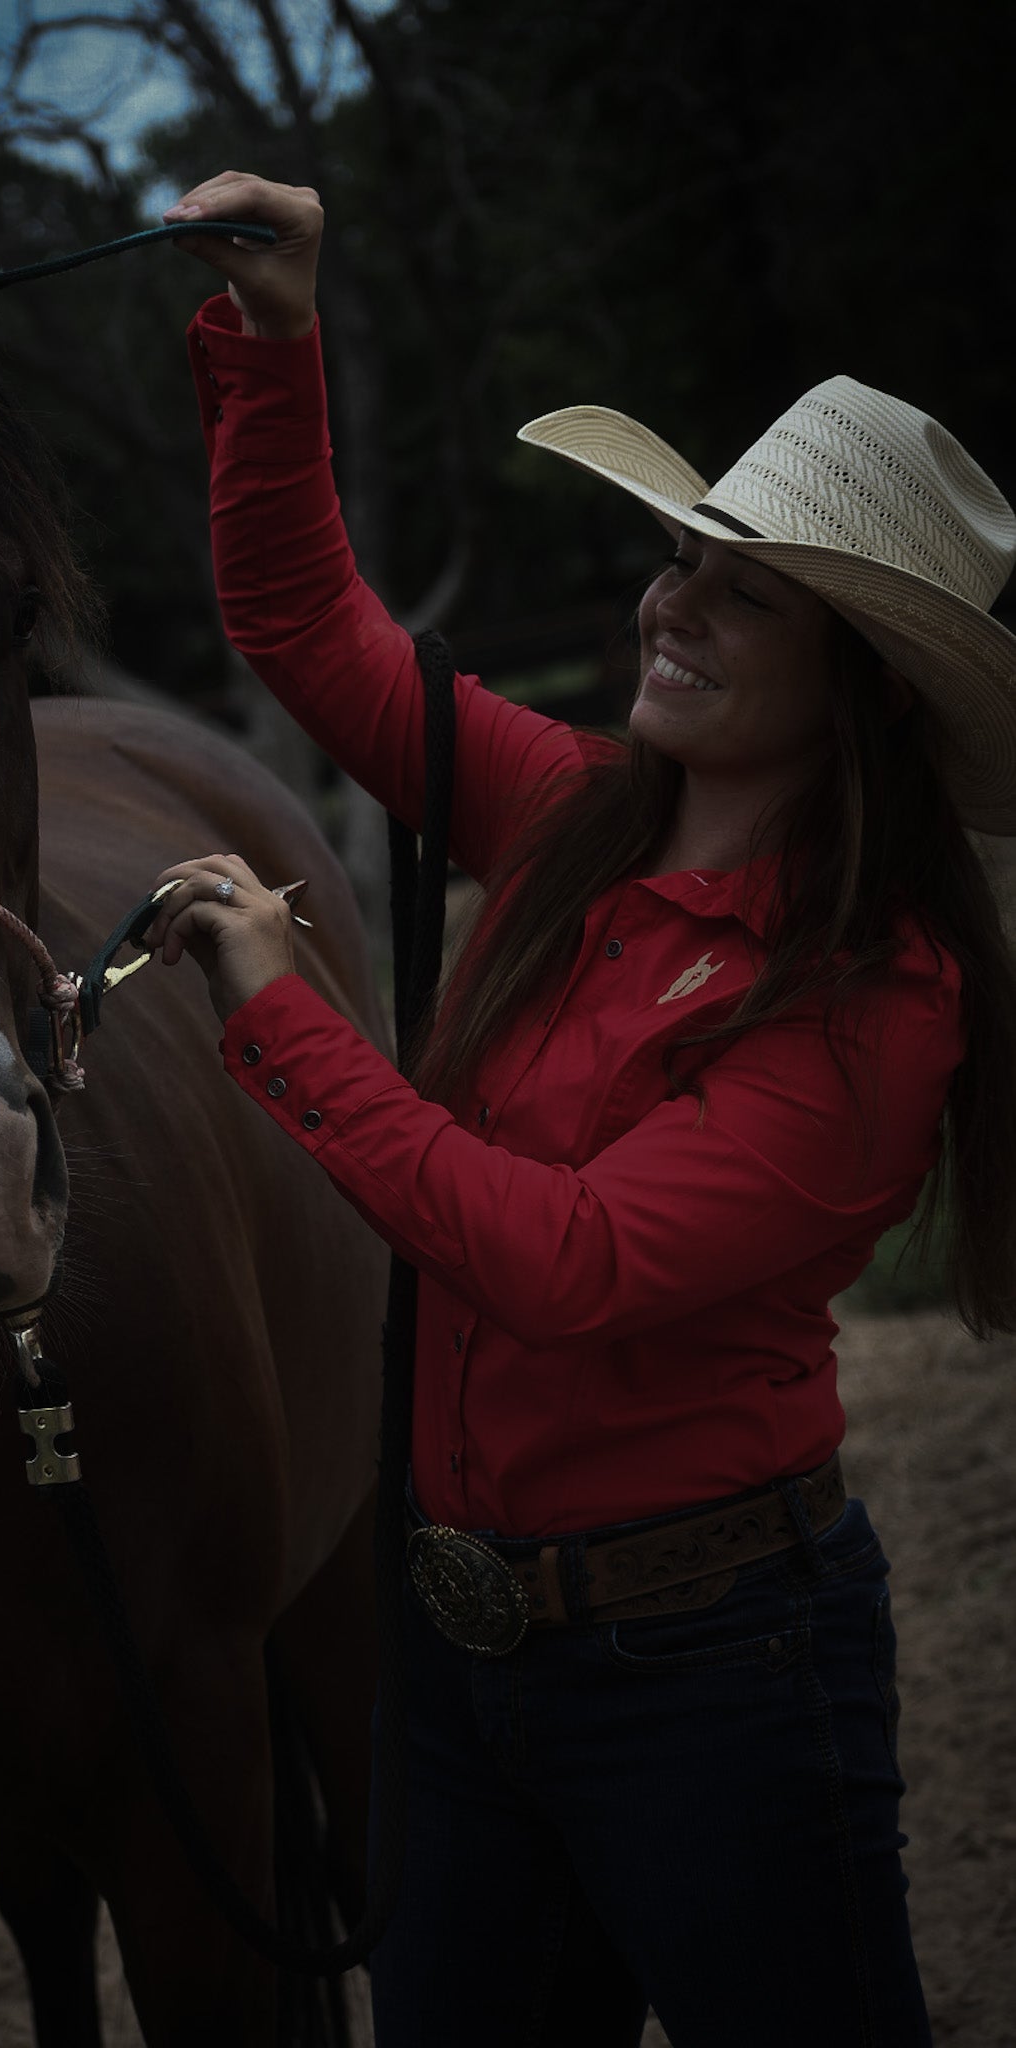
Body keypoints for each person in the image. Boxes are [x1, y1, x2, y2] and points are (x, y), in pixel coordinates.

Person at [140, 170, 1016, 2046]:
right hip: (456, 1656)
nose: (668, 596)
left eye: (739, 588)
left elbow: (576, 1264)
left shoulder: (877, 994)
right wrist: (276, 337)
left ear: (854, 680)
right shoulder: (570, 815)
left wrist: (287, 1017)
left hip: (710, 1672)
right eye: (679, 552)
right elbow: (305, 623)